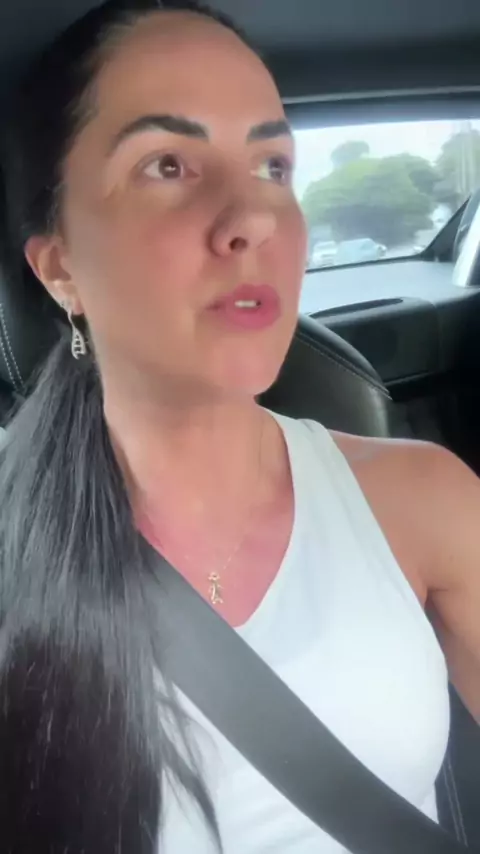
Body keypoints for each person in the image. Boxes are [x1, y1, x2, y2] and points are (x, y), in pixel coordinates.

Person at [0, 1, 479, 852]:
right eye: (167, 165)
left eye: (272, 166)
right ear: (60, 266)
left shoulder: (428, 500)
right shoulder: (16, 537)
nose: (253, 216)